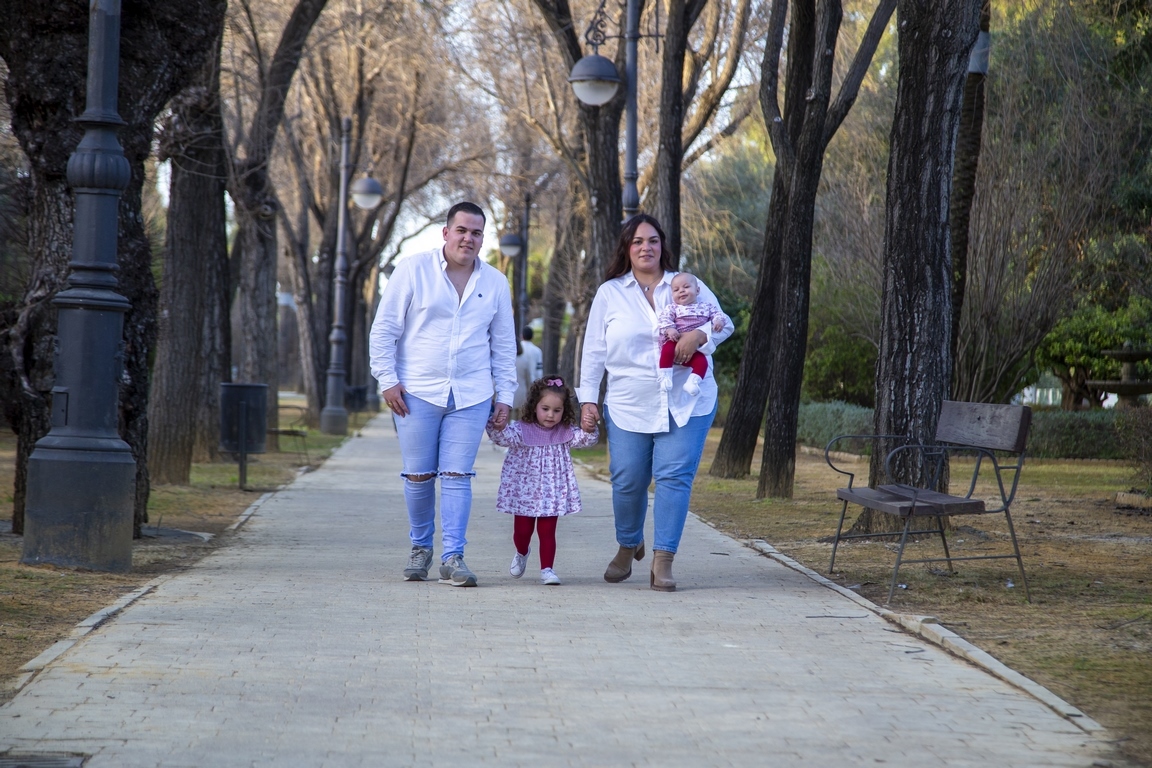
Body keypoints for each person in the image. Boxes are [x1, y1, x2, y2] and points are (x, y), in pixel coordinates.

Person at [576, 214, 734, 592]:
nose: (645, 247)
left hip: (687, 400)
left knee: (673, 477)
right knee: (627, 479)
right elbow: (594, 350)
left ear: (662, 245)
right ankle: (629, 542)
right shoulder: (610, 293)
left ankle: (663, 560)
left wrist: (699, 336)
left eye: (652, 240)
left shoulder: (687, 284)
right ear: (626, 249)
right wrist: (588, 400)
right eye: (637, 241)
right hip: (628, 401)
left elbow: (724, 324)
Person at [369, 201, 517, 587]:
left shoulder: (495, 283)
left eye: (476, 233)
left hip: (472, 395)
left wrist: (505, 395)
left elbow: (503, 345)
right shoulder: (413, 270)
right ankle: (421, 548)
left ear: (483, 238)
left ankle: (453, 556)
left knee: (457, 474)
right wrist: (387, 379)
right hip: (415, 391)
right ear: (446, 232)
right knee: (418, 475)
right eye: (462, 230)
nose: (468, 238)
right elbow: (384, 329)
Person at [486, 376, 598, 586]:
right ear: (534, 406)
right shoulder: (520, 430)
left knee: (547, 532)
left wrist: (589, 429)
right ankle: (522, 551)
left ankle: (547, 569)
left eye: (557, 410)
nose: (550, 415)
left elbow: (585, 440)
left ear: (564, 411)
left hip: (552, 491)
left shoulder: (565, 432)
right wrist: (495, 423)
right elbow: (501, 438)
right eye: (545, 409)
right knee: (522, 532)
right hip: (524, 492)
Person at [657, 272, 728, 396]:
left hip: (695, 348)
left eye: (686, 287)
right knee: (667, 350)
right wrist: (670, 329)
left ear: (697, 290)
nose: (681, 291)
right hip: (676, 338)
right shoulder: (673, 308)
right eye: (676, 290)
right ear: (672, 295)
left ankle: (692, 382)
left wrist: (718, 321)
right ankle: (665, 377)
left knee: (702, 362)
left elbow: (718, 314)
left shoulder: (706, 306)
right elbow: (664, 319)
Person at [513, 326, 544, 416]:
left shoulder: (518, 348)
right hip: (532, 383)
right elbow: (539, 370)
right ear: (532, 337)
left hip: (517, 381)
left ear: (522, 336)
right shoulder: (537, 351)